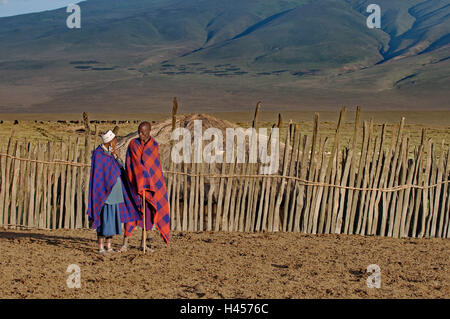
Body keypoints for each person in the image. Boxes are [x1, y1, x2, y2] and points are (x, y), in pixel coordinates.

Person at [86, 130, 140, 254]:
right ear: (110, 142)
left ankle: (109, 246)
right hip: (104, 194)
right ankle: (100, 247)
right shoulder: (98, 155)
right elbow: (99, 175)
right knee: (103, 221)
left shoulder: (111, 155)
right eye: (115, 141)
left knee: (113, 222)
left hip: (115, 194)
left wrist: (117, 157)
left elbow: (120, 168)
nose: (116, 144)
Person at [120, 122, 170, 252]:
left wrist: (149, 181)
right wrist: (141, 178)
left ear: (149, 132)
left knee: (148, 216)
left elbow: (154, 167)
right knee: (131, 213)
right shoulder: (133, 144)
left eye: (143, 132)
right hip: (135, 186)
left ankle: (143, 243)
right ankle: (125, 243)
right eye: (139, 131)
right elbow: (132, 164)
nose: (140, 134)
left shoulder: (154, 146)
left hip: (150, 187)